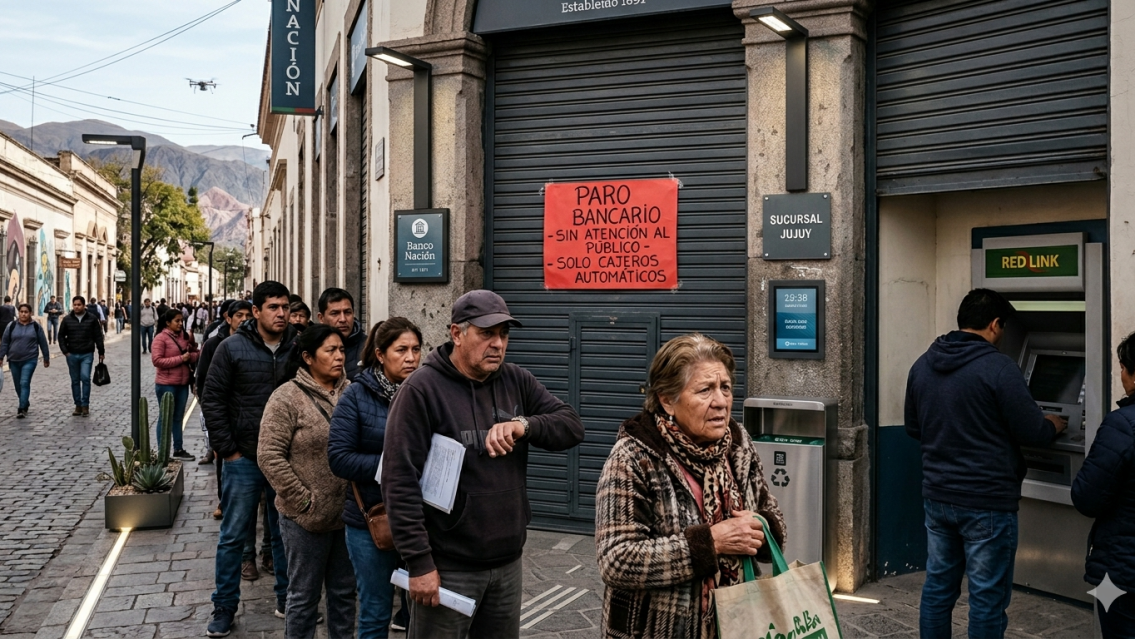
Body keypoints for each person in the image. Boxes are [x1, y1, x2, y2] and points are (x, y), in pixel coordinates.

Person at [382, 290, 584, 637]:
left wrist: (525, 425)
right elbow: (398, 481)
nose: (498, 344)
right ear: (457, 334)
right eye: (486, 333)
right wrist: (419, 563)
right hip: (448, 566)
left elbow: (571, 425)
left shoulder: (515, 380)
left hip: (507, 562)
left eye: (504, 334)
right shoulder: (421, 389)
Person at [595, 333, 786, 639]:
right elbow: (617, 560)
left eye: (725, 388)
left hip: (740, 624)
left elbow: (770, 514)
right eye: (705, 390)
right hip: (658, 629)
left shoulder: (738, 444)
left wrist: (760, 529)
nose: (721, 402)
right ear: (667, 399)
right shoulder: (634, 457)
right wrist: (710, 542)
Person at [905, 288, 1067, 639]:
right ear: (995, 324)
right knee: (986, 600)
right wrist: (1053, 423)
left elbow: (914, 427)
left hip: (938, 498)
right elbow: (1031, 430)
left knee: (937, 589)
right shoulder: (998, 368)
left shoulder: (923, 364)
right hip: (987, 502)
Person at [203, 281, 298, 637]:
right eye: (273, 307)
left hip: (286, 459)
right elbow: (212, 399)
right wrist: (228, 449)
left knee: (285, 534)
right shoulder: (231, 348)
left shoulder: (298, 347)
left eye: (285, 307)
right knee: (233, 535)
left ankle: (287, 599)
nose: (281, 313)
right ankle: (224, 606)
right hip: (243, 458)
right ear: (255, 311)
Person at [260, 324, 355, 639]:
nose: (339, 356)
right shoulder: (286, 397)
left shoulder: (352, 392)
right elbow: (269, 456)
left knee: (343, 595)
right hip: (305, 521)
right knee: (303, 597)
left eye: (341, 349)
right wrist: (303, 501)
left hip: (348, 518)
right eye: (330, 350)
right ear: (307, 357)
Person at [329, 317, 423, 637]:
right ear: (381, 355)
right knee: (375, 611)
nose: (411, 357)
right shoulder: (356, 395)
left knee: (422, 610)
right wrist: (392, 465)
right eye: (402, 350)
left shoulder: (428, 392)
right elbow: (339, 458)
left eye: (416, 349)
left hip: (421, 520)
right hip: (372, 520)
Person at [1072, 331, 1135, 638]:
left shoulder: (1122, 424)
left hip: (1121, 572)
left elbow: (1087, 498)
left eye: (1123, 367)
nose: (1120, 374)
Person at [151, 309, 200, 461]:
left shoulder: (184, 337)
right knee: (165, 417)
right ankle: (162, 452)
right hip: (166, 384)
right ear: (168, 323)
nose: (180, 324)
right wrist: (181, 358)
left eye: (181, 321)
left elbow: (196, 353)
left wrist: (189, 356)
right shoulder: (161, 338)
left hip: (182, 384)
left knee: (178, 418)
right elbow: (157, 361)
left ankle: (178, 448)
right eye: (177, 321)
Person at [57, 296, 105, 417]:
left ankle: (85, 405)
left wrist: (101, 351)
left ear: (84, 306)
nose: (77, 307)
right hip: (72, 354)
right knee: (75, 380)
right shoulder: (67, 319)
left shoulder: (92, 319)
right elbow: (61, 336)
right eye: (75, 305)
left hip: (87, 353)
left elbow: (98, 336)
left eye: (79, 304)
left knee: (85, 377)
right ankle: (77, 405)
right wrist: (65, 351)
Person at [0, 304, 50, 418]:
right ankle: (25, 401)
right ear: (18, 313)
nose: (23, 314)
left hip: (30, 359)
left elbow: (43, 342)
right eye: (21, 312)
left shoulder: (36, 327)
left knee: (24, 382)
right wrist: (1, 356)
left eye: (26, 312)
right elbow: (5, 342)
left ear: (30, 313)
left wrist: (46, 357)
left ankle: (22, 408)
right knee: (18, 385)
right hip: (14, 360)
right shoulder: (11, 326)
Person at [317, 288, 365, 381]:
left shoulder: (369, 347)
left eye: (347, 312)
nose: (343, 319)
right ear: (321, 318)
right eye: (335, 313)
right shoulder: (311, 348)